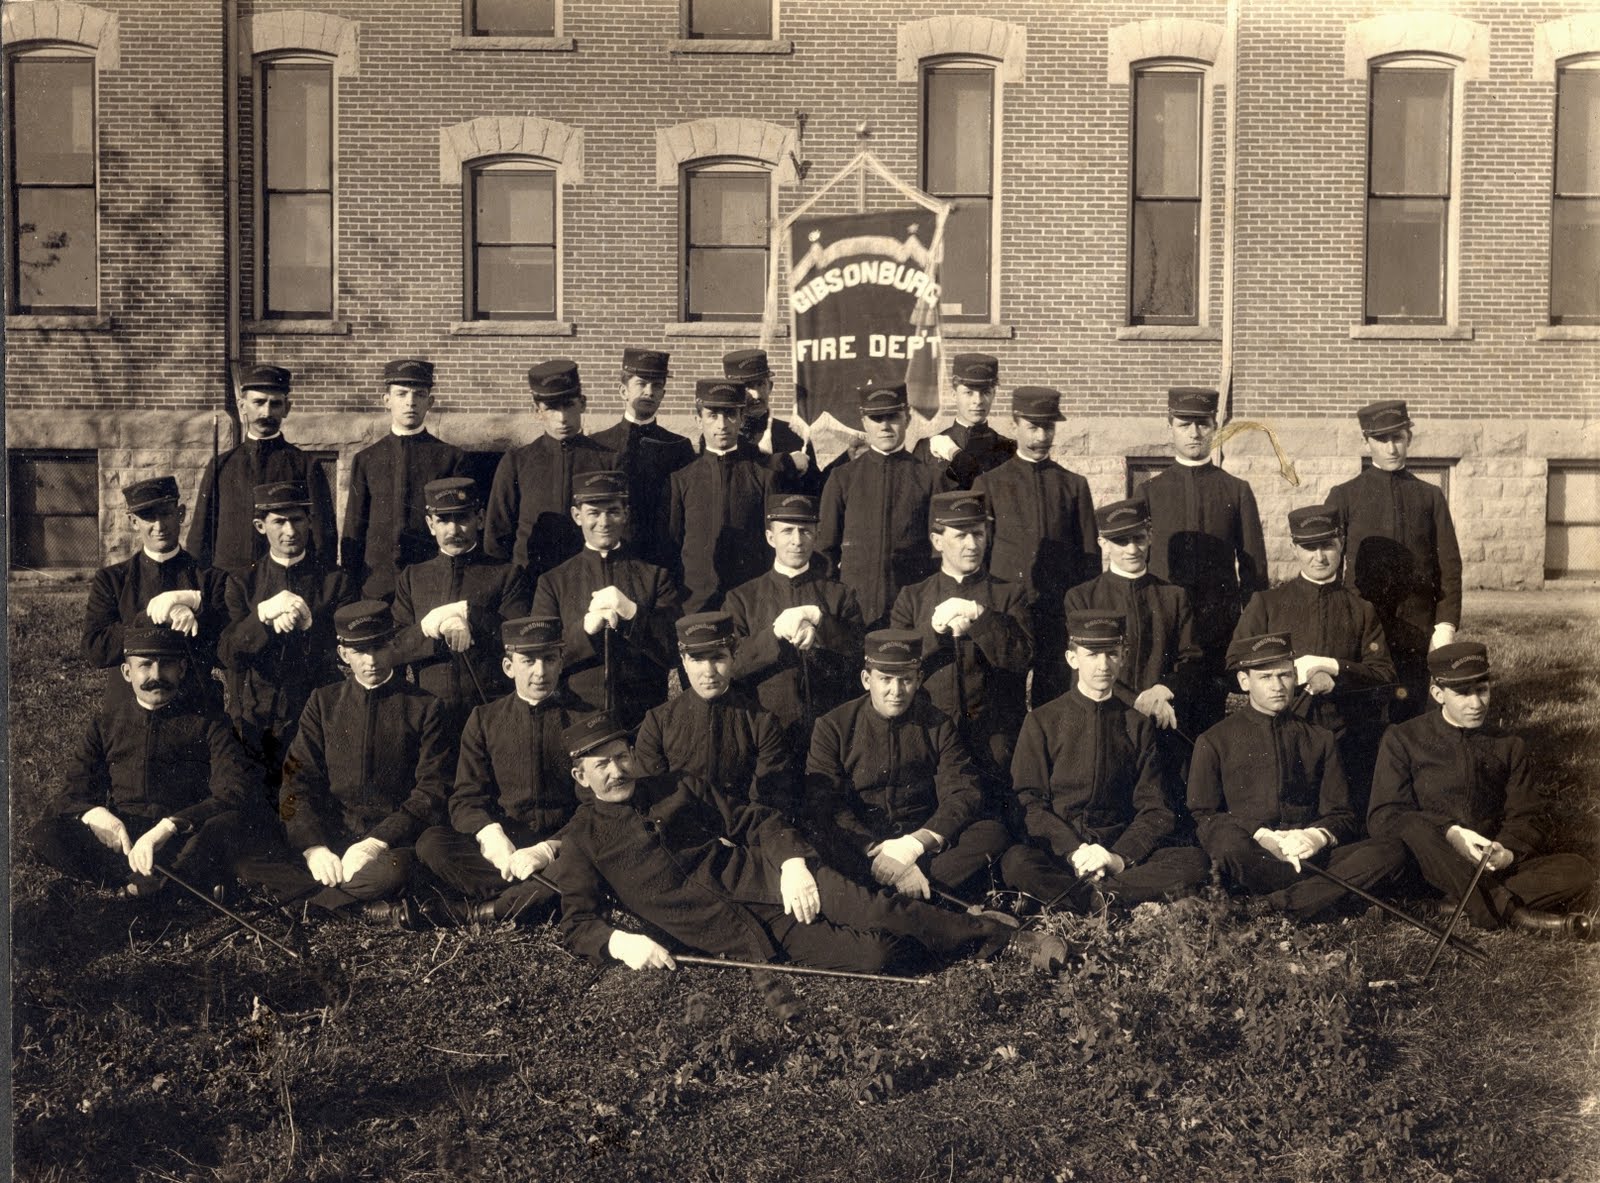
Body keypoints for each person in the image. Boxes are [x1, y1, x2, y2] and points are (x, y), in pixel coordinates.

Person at [551, 711, 1067, 1004]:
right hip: (746, 932)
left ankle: (1001, 936)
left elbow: (757, 821)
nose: (617, 771)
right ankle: (952, 932)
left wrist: (793, 864)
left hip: (784, 879)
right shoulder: (581, 839)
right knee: (877, 958)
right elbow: (578, 923)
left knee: (881, 911)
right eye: (602, 765)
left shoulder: (676, 788)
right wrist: (620, 942)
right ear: (581, 777)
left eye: (622, 757)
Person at [239, 602, 452, 925]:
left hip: (390, 843)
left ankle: (319, 900)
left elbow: (431, 791)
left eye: (379, 647)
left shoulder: (425, 707)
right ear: (343, 654)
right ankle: (361, 908)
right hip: (331, 834)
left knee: (395, 873)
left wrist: (376, 842)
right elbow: (296, 779)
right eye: (359, 651)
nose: (371, 660)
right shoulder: (323, 702)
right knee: (251, 857)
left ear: (393, 645)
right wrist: (313, 847)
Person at [1367, 643, 1594, 938]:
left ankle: (1449, 907)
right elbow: (1384, 815)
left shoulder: (1509, 745)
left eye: (1482, 689)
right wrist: (1449, 833)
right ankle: (1513, 913)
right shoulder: (1403, 739)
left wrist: (1506, 852)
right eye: (1463, 693)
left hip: (1489, 868)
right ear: (1438, 694)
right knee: (1412, 825)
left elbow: (1527, 815)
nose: (1476, 703)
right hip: (1426, 866)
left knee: (1578, 869)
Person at [28, 623, 263, 898]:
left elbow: (233, 791)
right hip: (124, 842)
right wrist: (99, 818)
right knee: (46, 832)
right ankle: (163, 884)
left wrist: (169, 826)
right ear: (127, 672)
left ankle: (143, 887)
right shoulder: (105, 725)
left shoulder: (209, 723)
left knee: (226, 825)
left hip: (181, 838)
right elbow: (71, 794)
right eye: (145, 665)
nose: (156, 675)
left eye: (166, 665)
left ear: (182, 670)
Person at [1186, 632, 1406, 918]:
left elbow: (1342, 815)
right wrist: (1260, 834)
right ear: (1244, 682)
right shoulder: (1215, 740)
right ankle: (1323, 896)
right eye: (1265, 677)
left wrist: (1316, 837)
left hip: (1310, 857)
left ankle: (1273, 905)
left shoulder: (1320, 738)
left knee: (1390, 850)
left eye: (1285, 675)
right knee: (1226, 842)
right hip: (1254, 852)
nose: (1278, 686)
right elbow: (1203, 814)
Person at [999, 612, 1209, 910]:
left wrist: (1117, 857)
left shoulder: (1136, 723)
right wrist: (1074, 851)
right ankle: (1110, 897)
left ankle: (1087, 898)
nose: (1103, 665)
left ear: (1123, 657)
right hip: (1062, 852)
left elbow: (1155, 808)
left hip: (1116, 846)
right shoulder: (1042, 720)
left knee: (1194, 861)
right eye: (1092, 654)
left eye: (1112, 654)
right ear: (1073, 659)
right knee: (1016, 862)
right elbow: (1030, 802)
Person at [805, 630, 1012, 902]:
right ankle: (922, 896)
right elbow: (826, 804)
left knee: (992, 832)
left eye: (906, 680)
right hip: (863, 848)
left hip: (920, 846)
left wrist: (913, 846)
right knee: (825, 841)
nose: (896, 691)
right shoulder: (833, 726)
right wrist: (879, 853)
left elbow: (963, 791)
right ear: (867, 680)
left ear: (919, 680)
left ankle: (893, 897)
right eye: (886, 680)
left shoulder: (938, 724)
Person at [413, 616, 592, 925]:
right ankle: (539, 896)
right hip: (507, 848)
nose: (540, 671)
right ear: (509, 667)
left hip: (564, 845)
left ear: (561, 662)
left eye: (549, 659)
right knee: (431, 843)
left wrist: (550, 848)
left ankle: (489, 909)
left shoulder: (584, 720)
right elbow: (465, 798)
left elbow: (593, 805)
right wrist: (490, 834)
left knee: (588, 858)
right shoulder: (484, 719)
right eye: (528, 661)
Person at [1234, 505, 1396, 820]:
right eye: (1309, 547)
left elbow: (1384, 674)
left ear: (1341, 543)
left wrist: (1336, 669)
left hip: (1345, 735)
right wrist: (1287, 674)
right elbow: (1234, 664)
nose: (1319, 557)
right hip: (1280, 732)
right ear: (1295, 549)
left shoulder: (1361, 609)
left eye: (1327, 545)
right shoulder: (1267, 604)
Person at [1325, 399, 1463, 722]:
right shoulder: (1345, 496)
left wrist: (1445, 625)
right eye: (1381, 439)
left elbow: (1450, 567)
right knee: (1362, 715)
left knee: (1409, 711)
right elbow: (1328, 563)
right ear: (1366, 441)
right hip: (1364, 627)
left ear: (1409, 438)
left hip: (1416, 627)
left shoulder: (1430, 496)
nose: (1391, 448)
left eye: (1398, 438)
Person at [889, 490, 1032, 800]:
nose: (972, 544)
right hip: (930, 737)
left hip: (996, 739)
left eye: (979, 534)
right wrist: (932, 631)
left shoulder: (1009, 595)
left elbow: (1022, 658)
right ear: (937, 541)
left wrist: (982, 618)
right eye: (961, 535)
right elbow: (895, 665)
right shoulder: (913, 598)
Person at [1141, 387, 1268, 732]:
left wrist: (1248, 629)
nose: (1194, 433)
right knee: (1159, 722)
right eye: (1184, 424)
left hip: (1215, 629)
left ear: (1215, 428)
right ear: (1170, 427)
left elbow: (1254, 569)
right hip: (1165, 628)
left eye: (1203, 424)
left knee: (1208, 724)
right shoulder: (1152, 491)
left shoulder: (1236, 489)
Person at [971, 387, 1099, 706]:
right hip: (1006, 612)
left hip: (1058, 612)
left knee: (1056, 699)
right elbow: (978, 556)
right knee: (1003, 700)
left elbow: (1089, 559)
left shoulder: (1073, 485)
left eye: (1049, 427)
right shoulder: (990, 484)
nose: (1042, 435)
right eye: (1033, 426)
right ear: (1015, 424)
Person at [218, 481, 353, 773]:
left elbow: (345, 650)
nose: (290, 531)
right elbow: (229, 653)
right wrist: (261, 619)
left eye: (297, 520)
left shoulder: (334, 580)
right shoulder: (242, 582)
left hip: (314, 710)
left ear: (310, 521)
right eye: (279, 521)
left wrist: (310, 626)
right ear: (260, 526)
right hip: (256, 714)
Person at [529, 471, 682, 727]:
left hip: (645, 716)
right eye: (593, 513)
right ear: (577, 516)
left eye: (612, 511)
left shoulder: (655, 576)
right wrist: (583, 631)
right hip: (578, 714)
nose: (604, 522)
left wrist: (634, 614)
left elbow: (673, 651)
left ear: (626, 515)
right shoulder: (553, 582)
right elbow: (540, 656)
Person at [724, 493, 866, 758]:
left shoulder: (839, 595)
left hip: (830, 728)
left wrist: (821, 621)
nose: (797, 541)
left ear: (816, 535)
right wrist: (774, 634)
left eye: (805, 531)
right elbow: (731, 664)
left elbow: (859, 652)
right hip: (766, 730)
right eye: (787, 531)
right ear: (770, 537)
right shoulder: (742, 598)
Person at [390, 477, 529, 734]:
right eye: (443, 520)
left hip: (489, 709)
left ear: (480, 518)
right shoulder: (413, 577)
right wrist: (429, 628)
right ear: (430, 525)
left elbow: (517, 639)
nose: (453, 530)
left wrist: (470, 614)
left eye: (462, 518)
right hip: (431, 713)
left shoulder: (505, 574)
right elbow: (395, 647)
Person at [82, 475, 229, 705]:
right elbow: (95, 650)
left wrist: (198, 610)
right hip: (129, 706)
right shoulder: (112, 579)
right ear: (133, 521)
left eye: (166, 514)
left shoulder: (210, 578)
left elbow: (224, 652)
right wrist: (148, 617)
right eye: (148, 517)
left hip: (193, 703)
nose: (159, 526)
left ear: (180, 514)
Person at [1064, 498, 1202, 736]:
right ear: (1103, 544)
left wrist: (1163, 689)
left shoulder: (1174, 596)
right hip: (1104, 717)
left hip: (1162, 718)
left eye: (1138, 538)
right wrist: (1135, 700)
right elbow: (1081, 666)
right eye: (1120, 540)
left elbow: (1191, 658)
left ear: (1149, 536)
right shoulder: (1082, 597)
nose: (1132, 549)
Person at [634, 612, 795, 814]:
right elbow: (651, 793)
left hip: (744, 832)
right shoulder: (658, 722)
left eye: (718, 658)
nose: (709, 671)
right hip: (678, 831)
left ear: (733, 657)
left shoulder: (762, 723)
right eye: (697, 660)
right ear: (683, 661)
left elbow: (768, 799)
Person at [818, 383, 949, 629]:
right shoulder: (843, 477)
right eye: (877, 418)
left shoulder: (930, 478)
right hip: (854, 610)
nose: (885, 426)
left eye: (893, 417)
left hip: (911, 608)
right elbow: (825, 548)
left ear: (907, 418)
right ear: (864, 422)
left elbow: (940, 552)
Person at [188, 364, 336, 575]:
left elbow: (323, 536)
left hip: (285, 581)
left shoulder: (305, 464)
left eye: (275, 404)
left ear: (287, 408)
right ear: (242, 407)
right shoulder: (222, 465)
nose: (266, 412)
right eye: (258, 402)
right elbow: (200, 535)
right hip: (229, 582)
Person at [340, 358, 466, 601]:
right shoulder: (366, 459)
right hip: (376, 581)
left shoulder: (450, 457)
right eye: (401, 394)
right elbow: (354, 526)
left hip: (430, 578)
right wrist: (351, 583)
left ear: (430, 402)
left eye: (419, 394)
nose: (410, 402)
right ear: (386, 401)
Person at [484, 359, 619, 578]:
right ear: (536, 411)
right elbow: (497, 534)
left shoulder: (609, 460)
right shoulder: (517, 461)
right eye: (552, 408)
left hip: (591, 578)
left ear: (582, 403)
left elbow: (623, 529)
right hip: (530, 580)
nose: (562, 418)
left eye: (569, 405)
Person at [667, 378, 778, 612]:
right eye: (712, 415)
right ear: (699, 420)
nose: (722, 424)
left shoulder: (762, 477)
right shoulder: (682, 479)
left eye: (730, 414)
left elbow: (771, 546)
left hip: (749, 601)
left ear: (741, 419)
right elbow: (672, 546)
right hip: (695, 602)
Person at [591, 348, 696, 566]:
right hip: (613, 558)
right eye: (641, 384)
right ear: (623, 391)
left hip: (663, 559)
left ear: (663, 394)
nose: (649, 392)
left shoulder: (678, 447)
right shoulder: (598, 445)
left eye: (657, 385)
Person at [912, 353, 1016, 489]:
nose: (977, 401)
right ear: (954, 394)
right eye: (968, 392)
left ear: (993, 395)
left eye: (985, 392)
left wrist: (954, 453)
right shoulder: (927, 449)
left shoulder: (1008, 449)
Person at [723, 347, 817, 494]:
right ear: (733, 391)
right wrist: (787, 462)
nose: (756, 395)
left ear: (770, 386)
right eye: (747, 387)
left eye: (761, 384)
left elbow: (816, 489)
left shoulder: (795, 435)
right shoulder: (721, 435)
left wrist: (846, 457)